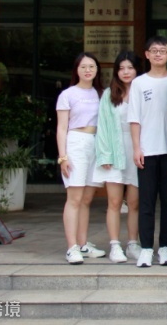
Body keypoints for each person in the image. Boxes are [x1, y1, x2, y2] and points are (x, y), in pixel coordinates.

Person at [128, 36, 167, 268]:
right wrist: (137, 147)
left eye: (162, 51)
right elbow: (134, 118)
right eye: (153, 50)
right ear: (146, 55)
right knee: (146, 202)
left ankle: (165, 247)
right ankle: (146, 248)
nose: (158, 54)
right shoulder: (138, 83)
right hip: (147, 151)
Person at [56, 52, 107, 264]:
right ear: (76, 70)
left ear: (97, 70)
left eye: (92, 66)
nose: (88, 70)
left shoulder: (101, 93)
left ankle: (83, 244)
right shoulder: (68, 94)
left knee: (86, 199)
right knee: (74, 198)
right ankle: (72, 247)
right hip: (76, 142)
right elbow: (61, 127)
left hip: (96, 144)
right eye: (83, 66)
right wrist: (63, 156)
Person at [93, 51, 142, 263]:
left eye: (130, 68)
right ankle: (114, 245)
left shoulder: (142, 92)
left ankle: (132, 244)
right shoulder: (108, 94)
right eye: (121, 68)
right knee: (114, 201)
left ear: (137, 70)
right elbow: (102, 126)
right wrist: (104, 155)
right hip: (114, 150)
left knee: (134, 202)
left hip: (137, 151)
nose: (126, 72)